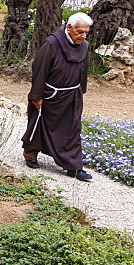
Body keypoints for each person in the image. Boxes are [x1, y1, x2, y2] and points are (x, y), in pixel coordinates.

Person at [22, 12, 93, 182]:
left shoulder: (84, 46)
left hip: (72, 94)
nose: (83, 36)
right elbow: (39, 69)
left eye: (86, 33)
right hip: (51, 95)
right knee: (40, 123)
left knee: (73, 129)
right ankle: (30, 154)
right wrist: (37, 95)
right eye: (80, 32)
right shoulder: (52, 44)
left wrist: (80, 91)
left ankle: (73, 166)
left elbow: (83, 69)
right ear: (69, 27)